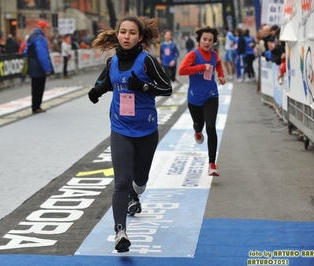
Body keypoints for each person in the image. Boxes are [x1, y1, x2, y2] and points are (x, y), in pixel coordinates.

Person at [88, 15, 172, 253]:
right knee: (121, 182)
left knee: (140, 181)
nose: (126, 36)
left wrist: (144, 87)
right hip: (120, 128)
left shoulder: (148, 62)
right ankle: (120, 232)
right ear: (117, 34)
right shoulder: (112, 62)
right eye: (123, 32)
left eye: (132, 32)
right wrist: (96, 91)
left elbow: (167, 88)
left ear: (140, 38)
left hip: (146, 130)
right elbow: (108, 82)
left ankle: (137, 193)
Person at [178, 26, 226, 176]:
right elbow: (182, 70)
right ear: (199, 40)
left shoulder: (214, 55)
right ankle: (197, 131)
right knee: (199, 124)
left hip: (211, 94)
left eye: (210, 40)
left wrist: (221, 75)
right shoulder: (193, 54)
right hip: (194, 98)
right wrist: (201, 67)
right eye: (204, 39)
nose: (207, 42)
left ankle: (212, 163)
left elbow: (218, 63)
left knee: (211, 127)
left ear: (214, 42)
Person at [24, 20, 54, 114]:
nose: (47, 30)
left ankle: (35, 105)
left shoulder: (31, 37)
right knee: (39, 87)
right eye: (46, 28)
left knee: (34, 86)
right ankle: (37, 106)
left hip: (32, 65)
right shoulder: (40, 38)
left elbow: (26, 51)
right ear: (42, 28)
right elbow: (42, 55)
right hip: (38, 66)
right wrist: (47, 69)